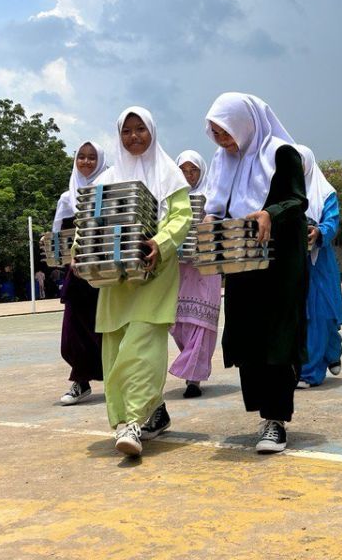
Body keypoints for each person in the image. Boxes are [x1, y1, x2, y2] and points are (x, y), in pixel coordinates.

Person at [78, 108, 192, 457]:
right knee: (115, 347)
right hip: (115, 278)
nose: (134, 136)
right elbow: (89, 221)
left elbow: (181, 216)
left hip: (153, 271)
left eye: (140, 129)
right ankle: (152, 412)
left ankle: (132, 423)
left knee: (143, 344)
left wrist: (161, 242)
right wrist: (78, 248)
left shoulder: (170, 174)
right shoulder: (107, 178)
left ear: (152, 131)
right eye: (126, 131)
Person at [202, 92, 308, 454]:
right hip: (242, 260)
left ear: (245, 124)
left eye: (226, 131)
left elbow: (297, 199)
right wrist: (210, 218)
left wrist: (269, 213)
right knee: (247, 338)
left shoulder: (280, 152)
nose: (223, 140)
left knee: (277, 338)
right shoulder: (223, 159)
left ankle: (276, 420)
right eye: (215, 133)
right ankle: (264, 414)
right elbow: (218, 202)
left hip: (279, 262)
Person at [52, 141, 109, 406]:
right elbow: (58, 236)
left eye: (92, 157)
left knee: (106, 328)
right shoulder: (67, 197)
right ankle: (81, 381)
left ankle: (115, 377)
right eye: (81, 157)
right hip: (75, 270)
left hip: (105, 269)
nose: (86, 162)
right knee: (73, 329)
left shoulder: (108, 190)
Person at [168, 150, 221, 398]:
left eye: (194, 171)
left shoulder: (213, 197)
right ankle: (190, 367)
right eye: (184, 171)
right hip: (178, 269)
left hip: (206, 268)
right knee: (180, 323)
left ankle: (194, 378)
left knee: (202, 321)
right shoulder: (170, 199)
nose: (189, 176)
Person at [295, 144, 342, 388]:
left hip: (319, 262)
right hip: (294, 264)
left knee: (321, 315)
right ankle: (318, 362)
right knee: (305, 317)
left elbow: (332, 222)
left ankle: (312, 371)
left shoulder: (325, 193)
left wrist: (319, 232)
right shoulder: (284, 190)